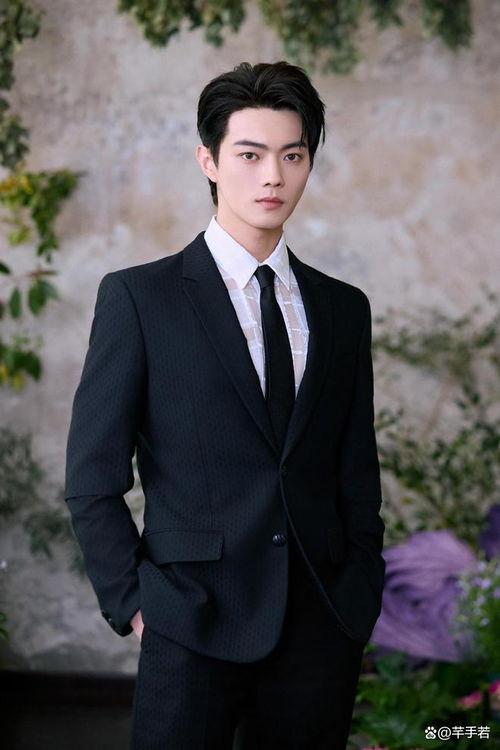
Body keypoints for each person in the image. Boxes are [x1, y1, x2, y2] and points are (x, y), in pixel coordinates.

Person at [64, 60, 386, 750]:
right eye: (250, 154)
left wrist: (358, 593)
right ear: (208, 160)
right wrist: (138, 606)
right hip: (190, 624)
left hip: (320, 627)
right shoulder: (140, 299)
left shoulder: (342, 309)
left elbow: (356, 470)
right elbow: (92, 477)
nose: (273, 176)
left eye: (292, 156)